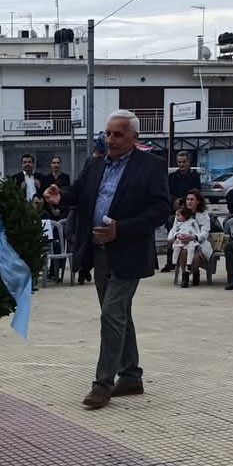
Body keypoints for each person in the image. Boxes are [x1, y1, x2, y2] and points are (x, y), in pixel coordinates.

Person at [44, 109, 169, 410]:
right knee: (118, 314)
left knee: (111, 314)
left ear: (134, 137)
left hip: (129, 252)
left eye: (117, 135)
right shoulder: (95, 163)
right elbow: (79, 193)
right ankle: (131, 376)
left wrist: (121, 229)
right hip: (99, 252)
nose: (110, 140)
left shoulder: (151, 166)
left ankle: (102, 384)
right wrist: (61, 195)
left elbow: (160, 209)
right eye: (108, 133)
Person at [160, 152, 202, 272]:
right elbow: (167, 192)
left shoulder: (194, 176)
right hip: (175, 209)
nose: (181, 164)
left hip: (190, 210)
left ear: (188, 162)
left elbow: (197, 192)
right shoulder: (172, 177)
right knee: (172, 230)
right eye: (179, 162)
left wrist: (185, 201)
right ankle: (171, 261)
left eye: (184, 162)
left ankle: (190, 262)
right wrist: (175, 201)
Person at [167, 205, 200, 275]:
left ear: (185, 216)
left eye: (178, 215)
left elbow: (197, 231)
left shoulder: (192, 222)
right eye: (176, 215)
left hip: (190, 239)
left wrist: (191, 236)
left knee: (191, 249)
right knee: (177, 249)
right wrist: (177, 235)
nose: (176, 217)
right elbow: (174, 231)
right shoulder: (178, 224)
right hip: (180, 239)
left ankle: (189, 264)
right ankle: (174, 263)